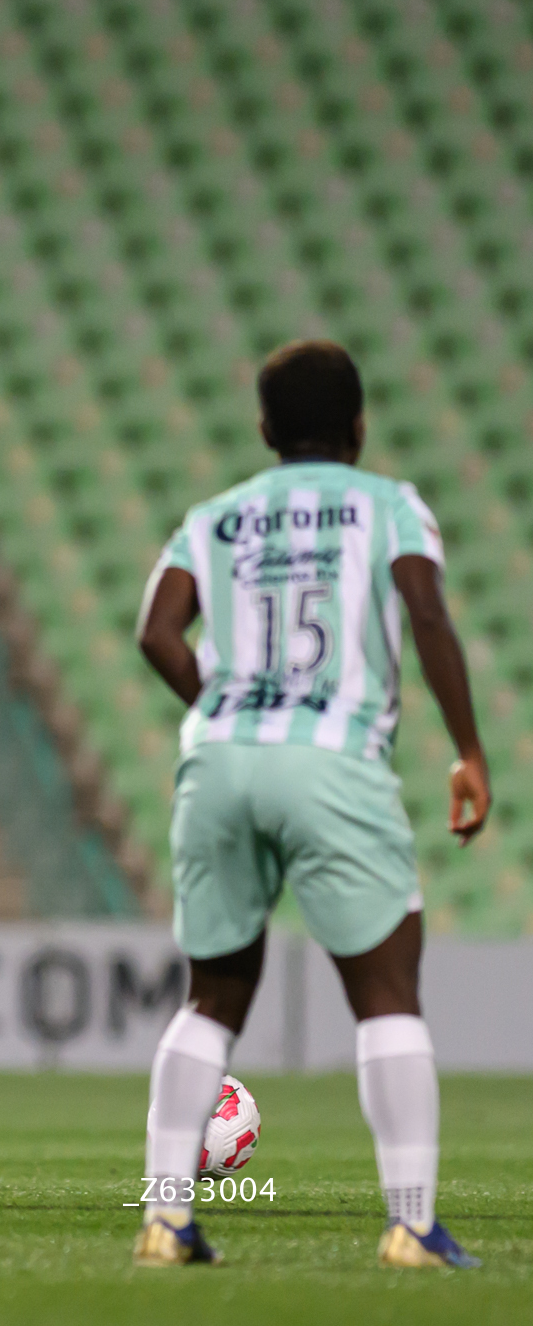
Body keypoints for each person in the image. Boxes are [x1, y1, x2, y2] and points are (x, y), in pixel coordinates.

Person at [130, 341, 488, 1268]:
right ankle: (410, 1222)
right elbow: (427, 609)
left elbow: (156, 631)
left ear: (264, 431)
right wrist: (469, 749)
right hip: (332, 761)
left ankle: (166, 1217)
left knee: (211, 995)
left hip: (219, 756)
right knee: (387, 991)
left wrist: (224, 703)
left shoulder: (217, 515)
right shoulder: (389, 505)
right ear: (360, 427)